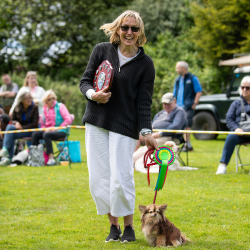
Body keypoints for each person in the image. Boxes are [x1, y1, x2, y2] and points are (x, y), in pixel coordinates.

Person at [79, 10, 158, 243]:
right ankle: (113, 227)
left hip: (124, 126)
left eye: (134, 28)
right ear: (117, 29)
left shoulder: (146, 64)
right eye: (125, 27)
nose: (129, 32)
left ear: (140, 32)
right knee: (98, 178)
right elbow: (85, 82)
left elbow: (144, 102)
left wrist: (146, 132)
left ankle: (129, 227)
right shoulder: (101, 50)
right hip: (97, 121)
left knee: (121, 178)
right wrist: (94, 95)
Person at [133, 92, 186, 162]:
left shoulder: (179, 111)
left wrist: (159, 134)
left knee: (146, 148)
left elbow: (175, 126)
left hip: (168, 137)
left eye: (168, 103)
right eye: (164, 104)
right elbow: (152, 123)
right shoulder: (160, 113)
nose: (166, 106)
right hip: (151, 134)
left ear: (175, 101)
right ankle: (130, 157)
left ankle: (131, 161)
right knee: (135, 136)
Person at [216, 76, 250, 174]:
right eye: (243, 87)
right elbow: (229, 119)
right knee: (230, 136)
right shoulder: (236, 103)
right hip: (240, 133)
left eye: (248, 88)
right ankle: (223, 165)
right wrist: (236, 129)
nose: (244, 90)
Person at [31, 90, 72, 166]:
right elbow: (43, 124)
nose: (51, 101)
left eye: (53, 98)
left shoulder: (60, 106)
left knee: (47, 135)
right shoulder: (44, 109)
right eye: (49, 99)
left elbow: (68, 120)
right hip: (48, 131)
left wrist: (56, 128)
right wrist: (44, 129)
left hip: (61, 131)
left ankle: (51, 159)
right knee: (35, 134)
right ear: (45, 101)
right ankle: (35, 157)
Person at [0, 92, 39, 165]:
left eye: (30, 98)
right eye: (27, 98)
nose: (29, 100)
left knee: (10, 130)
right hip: (20, 131)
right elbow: (12, 120)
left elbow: (35, 123)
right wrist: (15, 123)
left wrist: (22, 127)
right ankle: (8, 157)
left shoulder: (35, 108)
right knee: (10, 130)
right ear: (22, 100)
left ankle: (6, 153)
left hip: (31, 131)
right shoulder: (17, 107)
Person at [173, 61, 202, 152]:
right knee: (180, 125)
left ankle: (187, 144)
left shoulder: (192, 78)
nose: (176, 69)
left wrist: (194, 103)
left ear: (183, 68)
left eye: (177, 68)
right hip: (178, 107)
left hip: (188, 106)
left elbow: (199, 91)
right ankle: (183, 144)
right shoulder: (177, 80)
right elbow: (175, 93)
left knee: (187, 125)